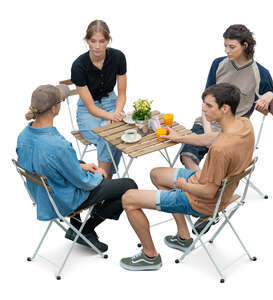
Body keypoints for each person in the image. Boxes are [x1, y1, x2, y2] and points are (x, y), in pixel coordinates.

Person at [120, 83, 255, 271]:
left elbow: (208, 192)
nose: (203, 109)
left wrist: (182, 186)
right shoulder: (243, 125)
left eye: (208, 105)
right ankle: (183, 236)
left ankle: (150, 255)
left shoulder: (221, 150)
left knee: (128, 199)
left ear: (225, 108)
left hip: (201, 200)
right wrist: (179, 138)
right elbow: (211, 138)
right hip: (208, 183)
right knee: (156, 174)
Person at [17, 84, 137, 252]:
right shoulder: (58, 146)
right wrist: (100, 175)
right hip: (63, 200)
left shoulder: (24, 135)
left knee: (79, 161)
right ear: (54, 109)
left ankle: (76, 226)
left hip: (42, 195)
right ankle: (85, 230)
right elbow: (84, 183)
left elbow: (50, 163)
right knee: (129, 185)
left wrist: (81, 166)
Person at [180, 24, 273, 172]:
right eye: (225, 46)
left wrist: (270, 95)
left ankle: (204, 189)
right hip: (208, 124)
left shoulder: (260, 73)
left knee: (219, 162)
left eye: (232, 47)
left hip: (234, 132)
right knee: (187, 155)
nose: (227, 51)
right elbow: (206, 101)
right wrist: (208, 134)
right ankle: (202, 187)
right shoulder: (218, 64)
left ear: (245, 45)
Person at [71, 20, 127, 178]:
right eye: (93, 41)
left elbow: (122, 93)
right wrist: (112, 117)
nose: (97, 46)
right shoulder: (78, 66)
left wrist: (116, 112)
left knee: (114, 133)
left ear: (108, 40)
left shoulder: (118, 57)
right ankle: (107, 180)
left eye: (101, 41)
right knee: (108, 135)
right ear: (86, 41)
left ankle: (104, 180)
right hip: (88, 111)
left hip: (112, 103)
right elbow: (90, 107)